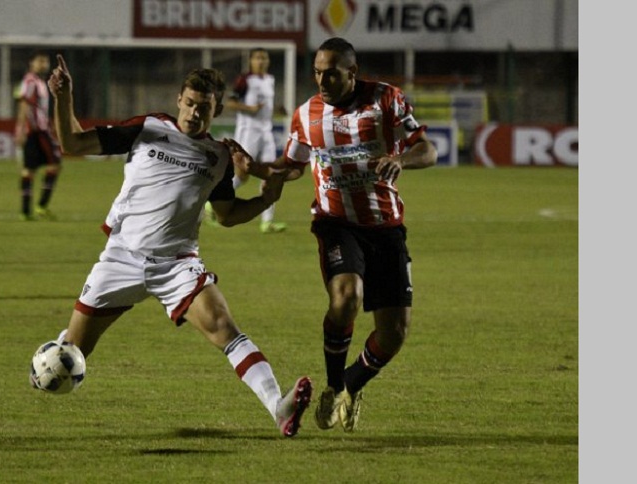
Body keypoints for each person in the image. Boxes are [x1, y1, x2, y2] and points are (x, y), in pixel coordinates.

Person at [39, 54, 313, 438]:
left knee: (225, 329)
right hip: (122, 258)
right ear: (178, 100)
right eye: (190, 103)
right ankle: (44, 371)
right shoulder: (148, 128)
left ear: (216, 109)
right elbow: (72, 141)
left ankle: (278, 408)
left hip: (177, 265)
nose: (195, 112)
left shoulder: (219, 156)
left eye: (205, 107)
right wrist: (64, 96)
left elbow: (228, 215)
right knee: (70, 352)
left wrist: (267, 200)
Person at [274, 37, 438, 432]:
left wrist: (400, 159)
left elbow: (427, 150)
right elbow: (291, 166)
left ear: (352, 72)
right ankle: (332, 387)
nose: (321, 79)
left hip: (385, 227)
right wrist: (259, 171)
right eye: (316, 71)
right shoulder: (306, 114)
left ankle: (351, 383)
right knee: (347, 296)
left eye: (330, 72)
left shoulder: (387, 100)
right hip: (335, 222)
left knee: (394, 332)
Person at [205, 48, 287, 234]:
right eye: (258, 58)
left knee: (271, 172)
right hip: (248, 131)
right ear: (251, 61)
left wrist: (277, 111)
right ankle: (213, 203)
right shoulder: (244, 80)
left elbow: (265, 108)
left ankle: (267, 222)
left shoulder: (270, 80)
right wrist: (249, 108)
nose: (261, 61)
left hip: (266, 132)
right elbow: (231, 102)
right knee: (242, 175)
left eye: (264, 58)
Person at [14, 49, 62, 221]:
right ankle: (41, 206)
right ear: (31, 63)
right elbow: (24, 105)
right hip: (36, 130)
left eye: (45, 61)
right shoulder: (30, 81)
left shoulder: (39, 82)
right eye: (40, 61)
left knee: (29, 169)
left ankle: (26, 212)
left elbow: (38, 108)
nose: (44, 64)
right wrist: (20, 130)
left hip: (39, 129)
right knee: (54, 164)